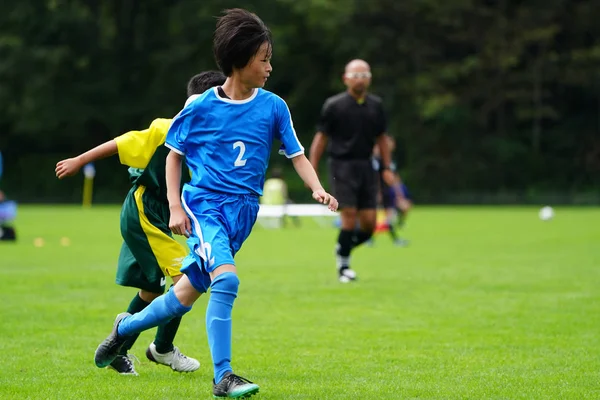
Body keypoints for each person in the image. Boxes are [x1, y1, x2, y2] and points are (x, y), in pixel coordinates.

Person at [93, 8, 337, 399]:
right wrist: (175, 205)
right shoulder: (201, 106)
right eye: (264, 59)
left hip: (244, 212)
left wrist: (316, 188)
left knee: (181, 299)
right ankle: (223, 377)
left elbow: (296, 155)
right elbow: (173, 154)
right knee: (228, 279)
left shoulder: (274, 106)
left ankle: (124, 328)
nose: (270, 67)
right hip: (206, 207)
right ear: (241, 61)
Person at [56, 71, 227, 375]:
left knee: (150, 291)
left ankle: (117, 352)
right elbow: (121, 143)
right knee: (185, 280)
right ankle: (162, 349)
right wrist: (79, 161)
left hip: (169, 216)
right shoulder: (164, 129)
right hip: (145, 212)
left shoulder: (212, 138)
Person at [309, 59, 395, 283]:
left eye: (364, 74)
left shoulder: (376, 105)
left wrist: (386, 167)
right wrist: (312, 167)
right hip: (342, 165)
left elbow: (382, 139)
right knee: (348, 215)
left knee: (369, 223)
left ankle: (342, 247)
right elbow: (321, 138)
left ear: (370, 78)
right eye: (355, 75)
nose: (360, 79)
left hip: (367, 166)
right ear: (345, 78)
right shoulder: (334, 105)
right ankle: (344, 267)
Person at [372, 134, 412, 246]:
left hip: (388, 191)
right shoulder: (377, 159)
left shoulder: (389, 159)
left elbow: (394, 177)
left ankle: (394, 239)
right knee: (374, 216)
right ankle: (372, 238)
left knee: (389, 217)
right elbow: (376, 177)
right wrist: (377, 191)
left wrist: (399, 193)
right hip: (378, 191)